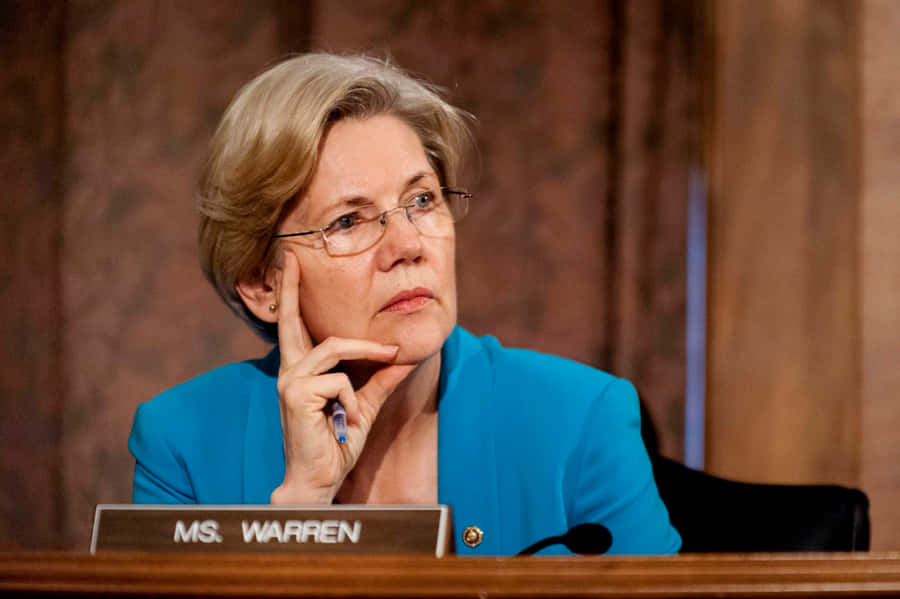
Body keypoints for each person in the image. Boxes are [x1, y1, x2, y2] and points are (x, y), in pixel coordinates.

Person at [128, 53, 681, 556]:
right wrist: (302, 508)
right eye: (348, 221)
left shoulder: (581, 420)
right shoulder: (183, 445)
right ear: (261, 283)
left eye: (422, 200)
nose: (409, 246)